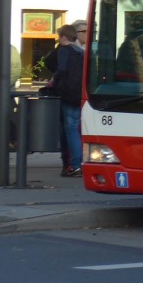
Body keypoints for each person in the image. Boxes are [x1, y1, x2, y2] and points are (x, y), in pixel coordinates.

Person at [52, 23, 84, 177]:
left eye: (59, 37)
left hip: (68, 93)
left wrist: (53, 80)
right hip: (79, 94)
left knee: (70, 128)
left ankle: (75, 164)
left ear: (63, 37)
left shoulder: (64, 50)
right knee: (75, 127)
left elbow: (62, 69)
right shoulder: (81, 51)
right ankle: (78, 163)